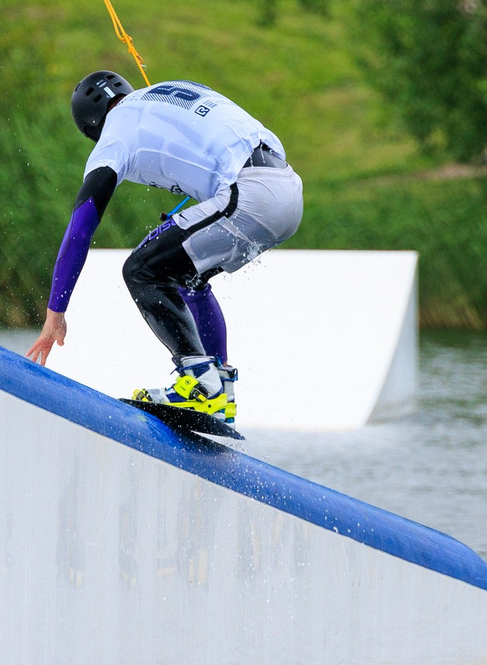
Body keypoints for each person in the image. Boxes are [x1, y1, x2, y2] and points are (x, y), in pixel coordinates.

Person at [26, 70, 303, 426]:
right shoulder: (169, 91)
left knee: (142, 270)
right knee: (185, 276)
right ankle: (219, 390)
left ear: (90, 126)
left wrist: (55, 314)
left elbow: (80, 229)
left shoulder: (113, 137)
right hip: (287, 191)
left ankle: (201, 386)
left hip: (250, 195)